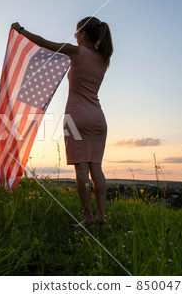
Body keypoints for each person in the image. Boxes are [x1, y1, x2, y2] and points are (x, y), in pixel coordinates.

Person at [11, 17, 113, 227]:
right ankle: (102, 218)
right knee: (97, 168)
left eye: (76, 33)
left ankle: (88, 219)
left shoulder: (76, 52)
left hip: (77, 116)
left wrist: (20, 30)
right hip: (98, 118)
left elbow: (43, 42)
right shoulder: (104, 58)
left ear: (83, 34)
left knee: (82, 168)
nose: (75, 36)